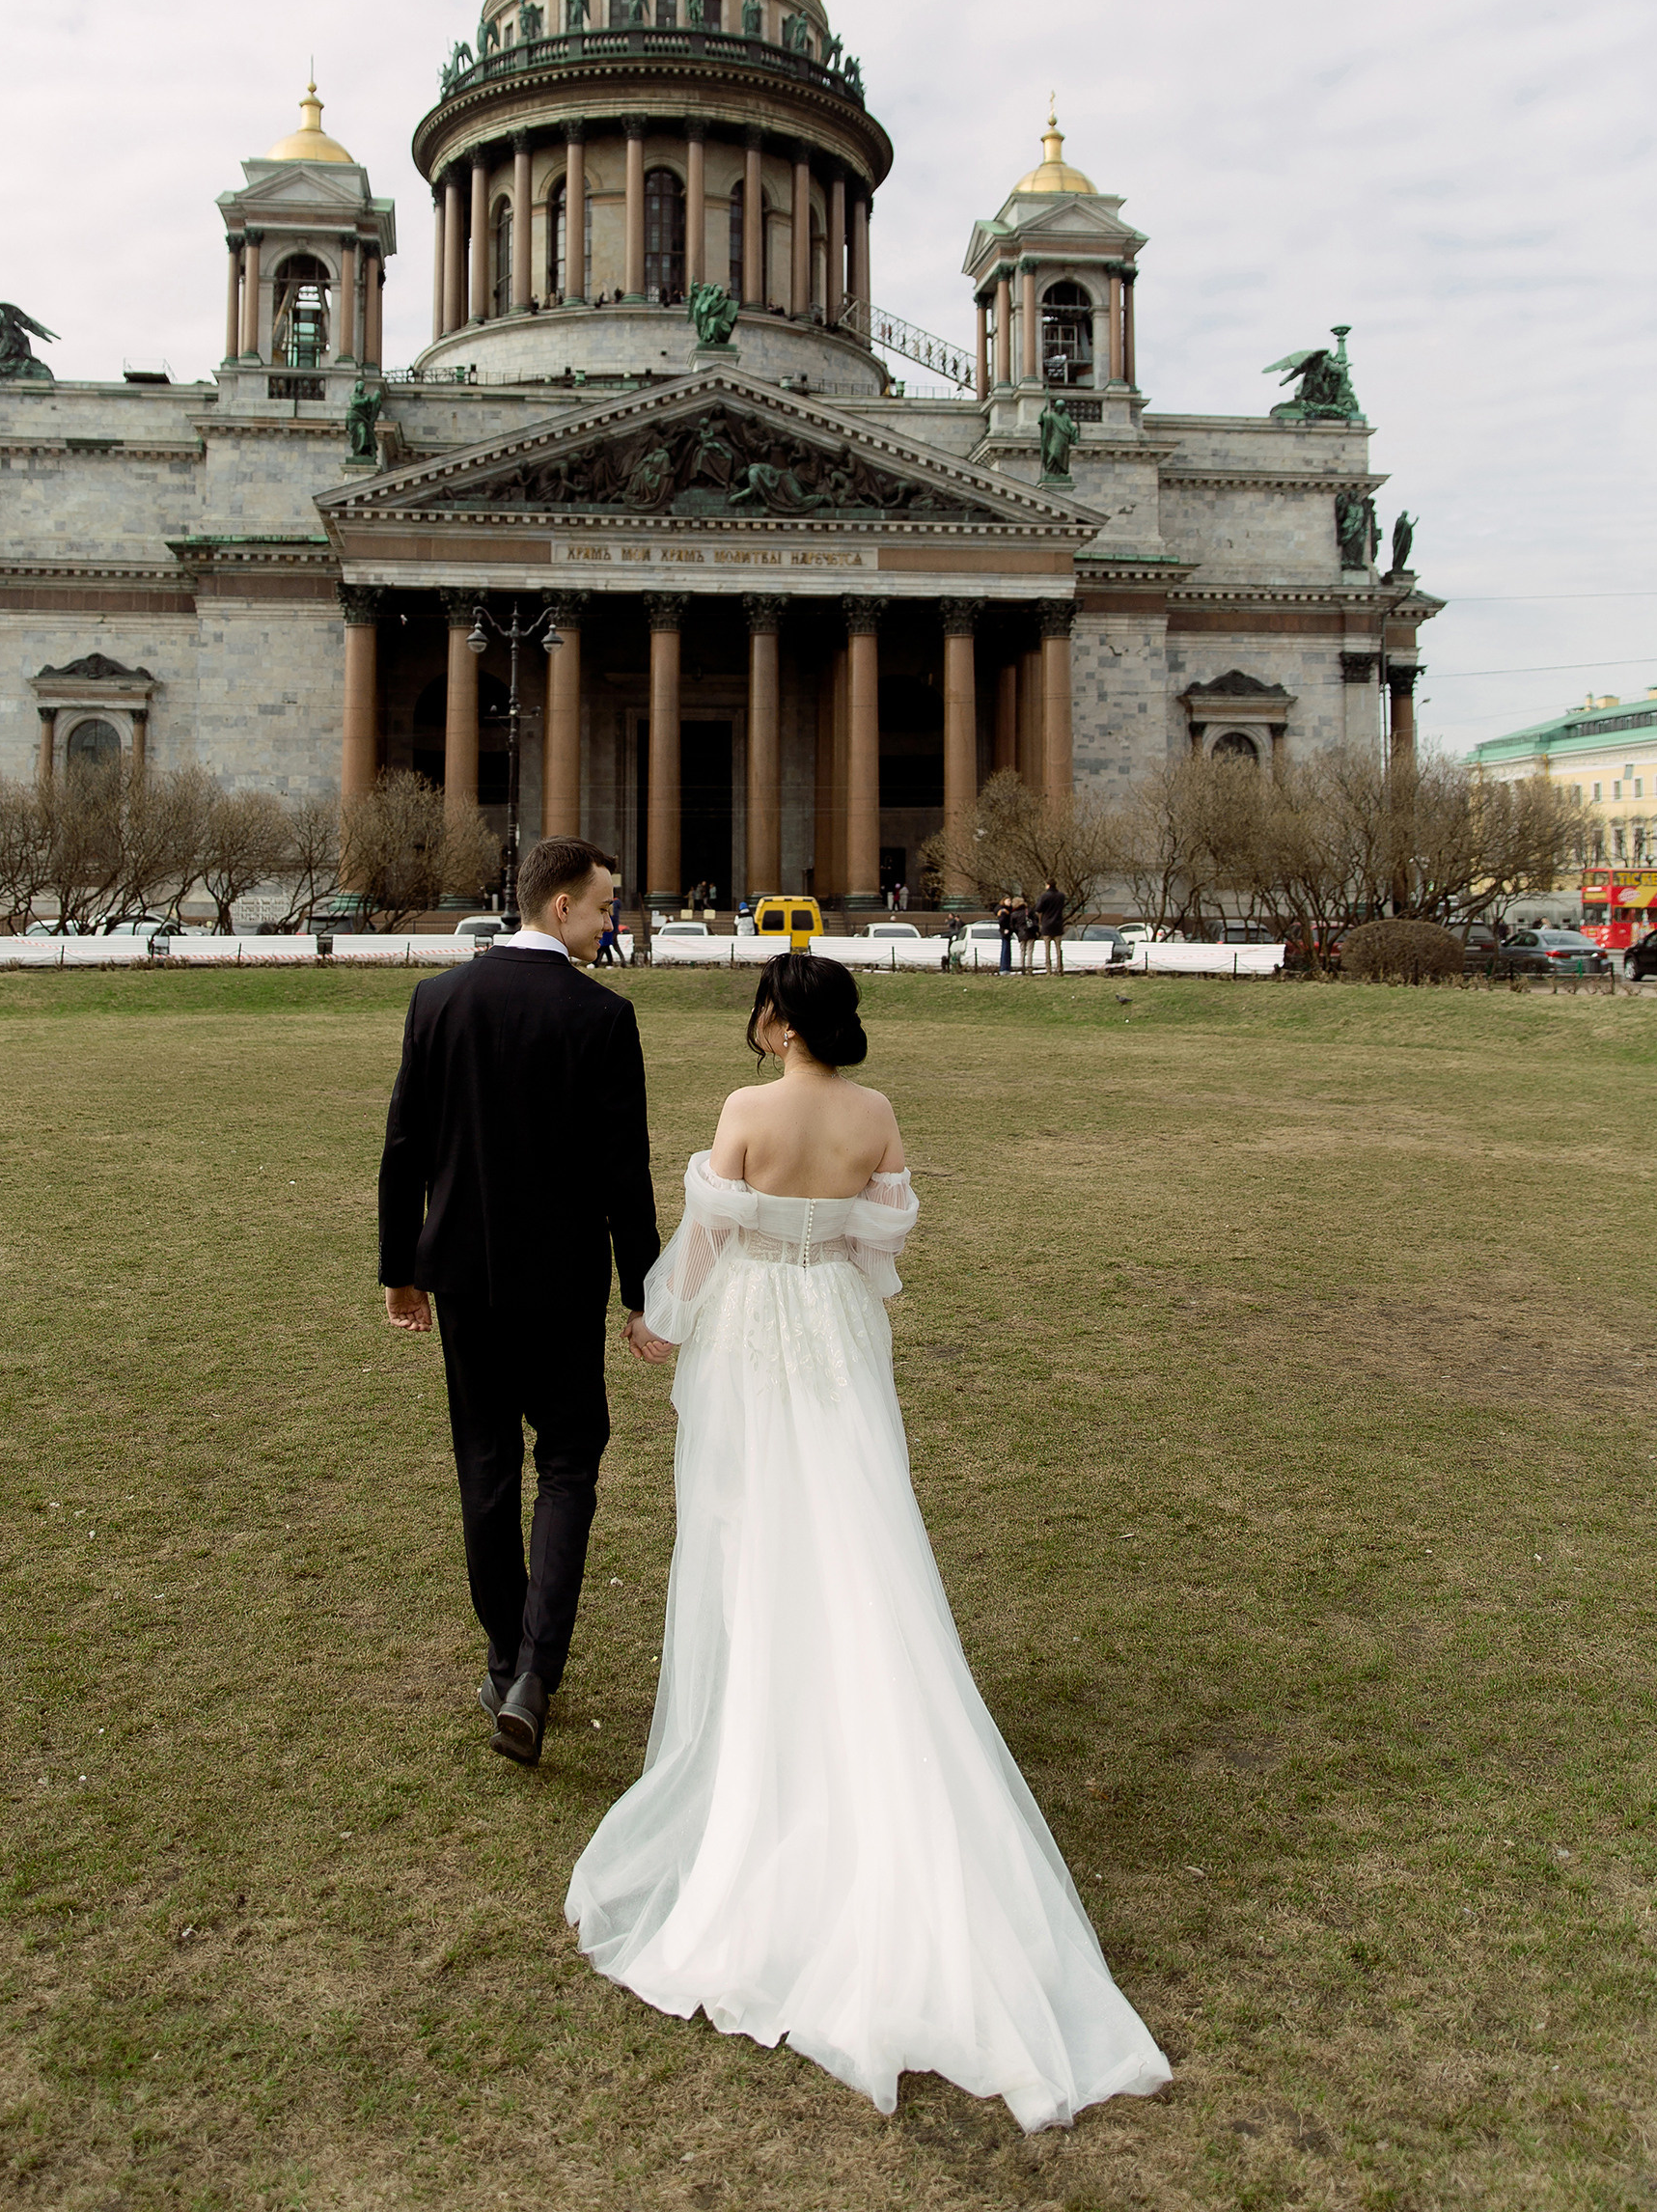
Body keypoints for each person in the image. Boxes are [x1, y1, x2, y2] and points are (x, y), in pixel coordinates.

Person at [566, 953, 1169, 2131]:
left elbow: (705, 1231)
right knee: (853, 1511)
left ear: (778, 1021)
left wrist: (657, 1319)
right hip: (834, 1327)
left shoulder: (747, 1109)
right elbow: (880, 1242)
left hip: (750, 1330)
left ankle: (768, 1714)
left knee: (746, 1520)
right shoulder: (875, 1113)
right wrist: (829, 1253)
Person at [378, 837, 665, 1767]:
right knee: (569, 1463)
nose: (611, 919)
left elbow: (404, 1148)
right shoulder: (601, 1017)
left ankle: (507, 1657)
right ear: (560, 909)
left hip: (460, 1273)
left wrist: (400, 1267)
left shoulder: (439, 998)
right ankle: (536, 1667)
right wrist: (644, 1292)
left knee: (485, 1460)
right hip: (563, 1280)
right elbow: (627, 1175)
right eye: (604, 904)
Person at [1036, 879, 1066, 977]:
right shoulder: (1061, 896)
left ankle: (1049, 970)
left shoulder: (1045, 896)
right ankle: (1060, 969)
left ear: (1048, 885)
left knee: (1047, 950)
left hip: (1047, 925)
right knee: (1058, 949)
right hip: (1058, 924)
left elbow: (1038, 909)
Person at [995, 895, 1015, 974]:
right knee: (1005, 948)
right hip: (1005, 931)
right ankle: (1004, 968)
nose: (1009, 902)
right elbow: (1002, 921)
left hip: (1007, 931)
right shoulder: (1004, 911)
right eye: (1008, 901)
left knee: (1006, 948)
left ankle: (1006, 967)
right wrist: (1005, 929)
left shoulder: (1009, 910)